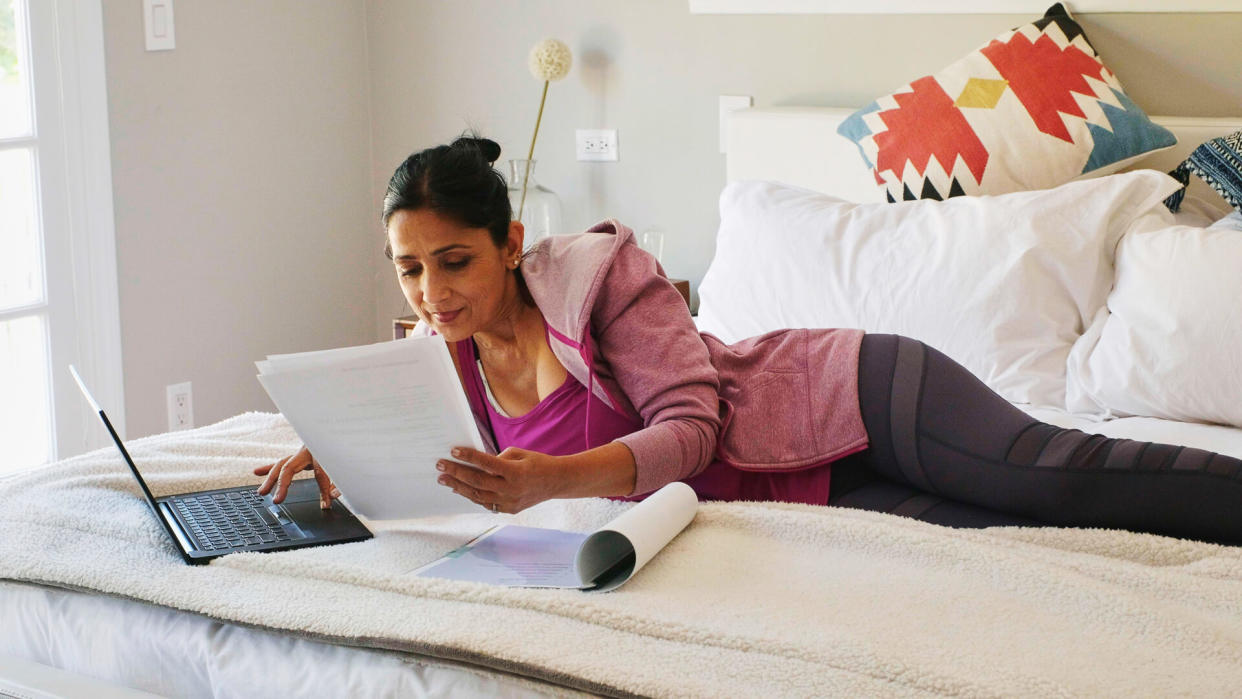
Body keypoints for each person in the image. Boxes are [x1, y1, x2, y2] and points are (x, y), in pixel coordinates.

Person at [256, 136, 1242, 545]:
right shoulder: (446, 358)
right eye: (409, 267)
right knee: (1019, 537)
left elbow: (690, 429)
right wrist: (343, 441)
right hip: (799, 489)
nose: (433, 292)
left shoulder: (608, 284)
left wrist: (546, 482)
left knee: (1058, 478)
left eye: (455, 261)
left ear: (513, 244)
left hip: (847, 395)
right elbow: (444, 466)